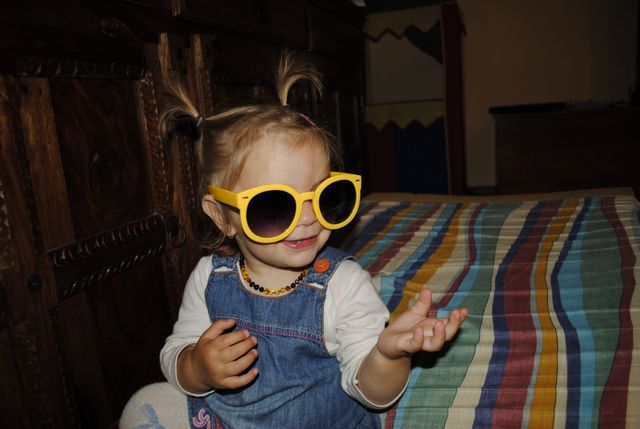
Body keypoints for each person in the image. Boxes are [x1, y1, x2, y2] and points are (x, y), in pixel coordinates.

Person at [120, 52, 468, 429]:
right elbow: (175, 352)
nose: (308, 218)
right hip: (224, 420)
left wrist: (388, 355)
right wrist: (196, 367)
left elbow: (373, 393)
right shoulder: (209, 278)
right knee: (146, 402)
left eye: (325, 195)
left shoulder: (342, 285)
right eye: (274, 205)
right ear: (222, 216)